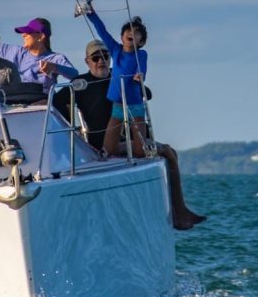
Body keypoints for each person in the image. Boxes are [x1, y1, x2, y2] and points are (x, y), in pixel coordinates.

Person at [54, 40, 206, 230]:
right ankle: (179, 213)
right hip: (104, 146)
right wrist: (72, 130)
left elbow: (147, 94)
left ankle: (177, 209)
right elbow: (56, 103)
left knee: (171, 152)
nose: (101, 61)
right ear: (87, 61)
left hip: (130, 141)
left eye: (105, 56)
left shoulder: (119, 77)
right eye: (95, 58)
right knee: (167, 151)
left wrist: (134, 82)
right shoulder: (80, 84)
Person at [84, 7, 149, 157]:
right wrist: (91, 13)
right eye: (128, 30)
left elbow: (142, 69)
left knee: (141, 151)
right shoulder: (115, 50)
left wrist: (140, 76)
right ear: (122, 36)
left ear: (141, 41)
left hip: (135, 104)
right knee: (109, 149)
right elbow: (102, 31)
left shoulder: (141, 54)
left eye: (136, 32)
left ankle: (157, 149)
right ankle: (125, 150)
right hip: (118, 104)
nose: (131, 33)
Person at [0, 17, 78, 95]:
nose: (23, 35)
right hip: (20, 100)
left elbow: (75, 75)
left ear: (41, 36)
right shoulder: (17, 52)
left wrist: (54, 67)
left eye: (28, 32)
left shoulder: (56, 58)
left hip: (44, 101)